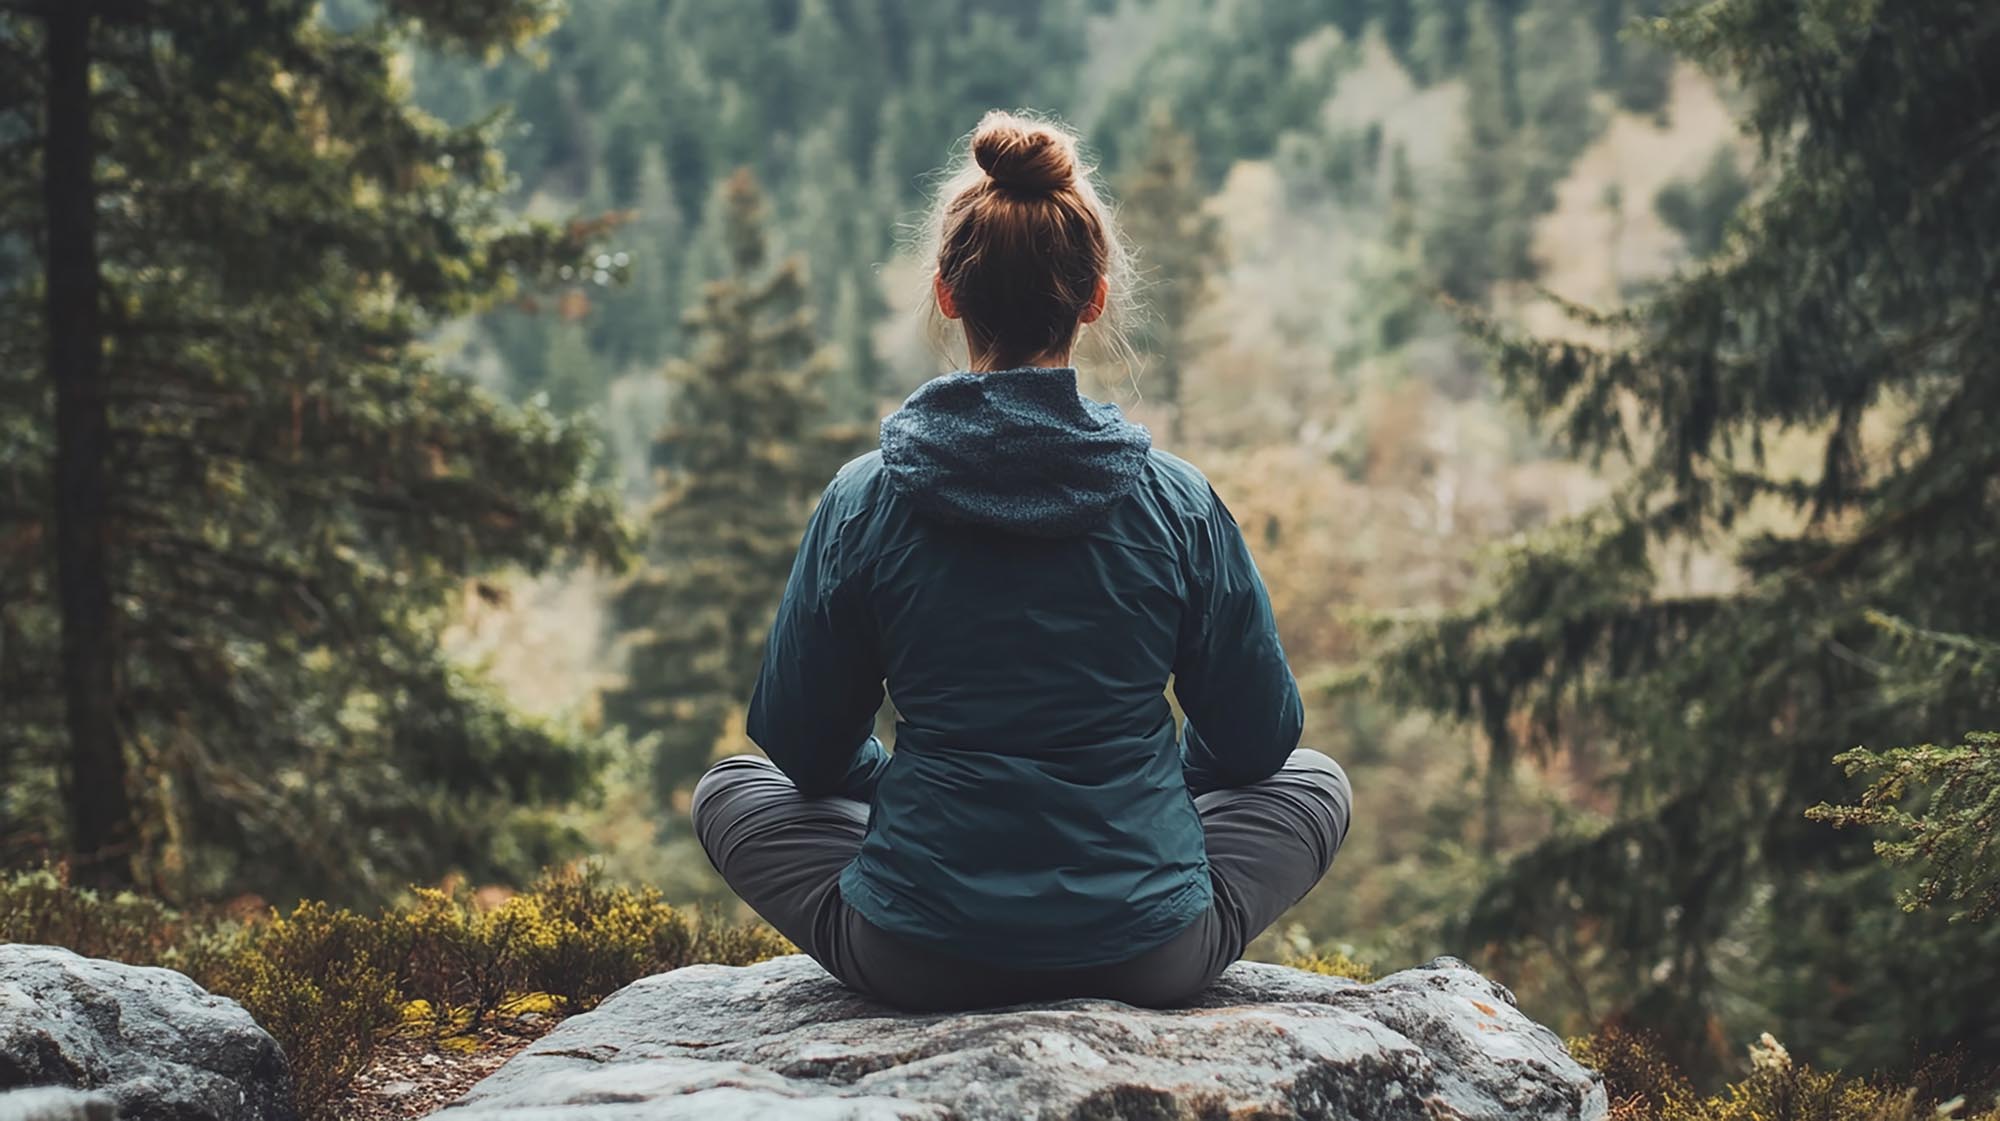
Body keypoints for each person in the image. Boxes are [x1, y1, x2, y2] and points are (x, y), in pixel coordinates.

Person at [691, 109, 1352, 1012]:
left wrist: (915, 793)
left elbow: (804, 750)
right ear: (1094, 298)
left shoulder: (865, 496)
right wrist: (1146, 794)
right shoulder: (1176, 499)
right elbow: (1258, 741)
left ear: (949, 293)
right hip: (1147, 948)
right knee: (1314, 781)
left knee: (733, 787)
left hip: (918, 949)